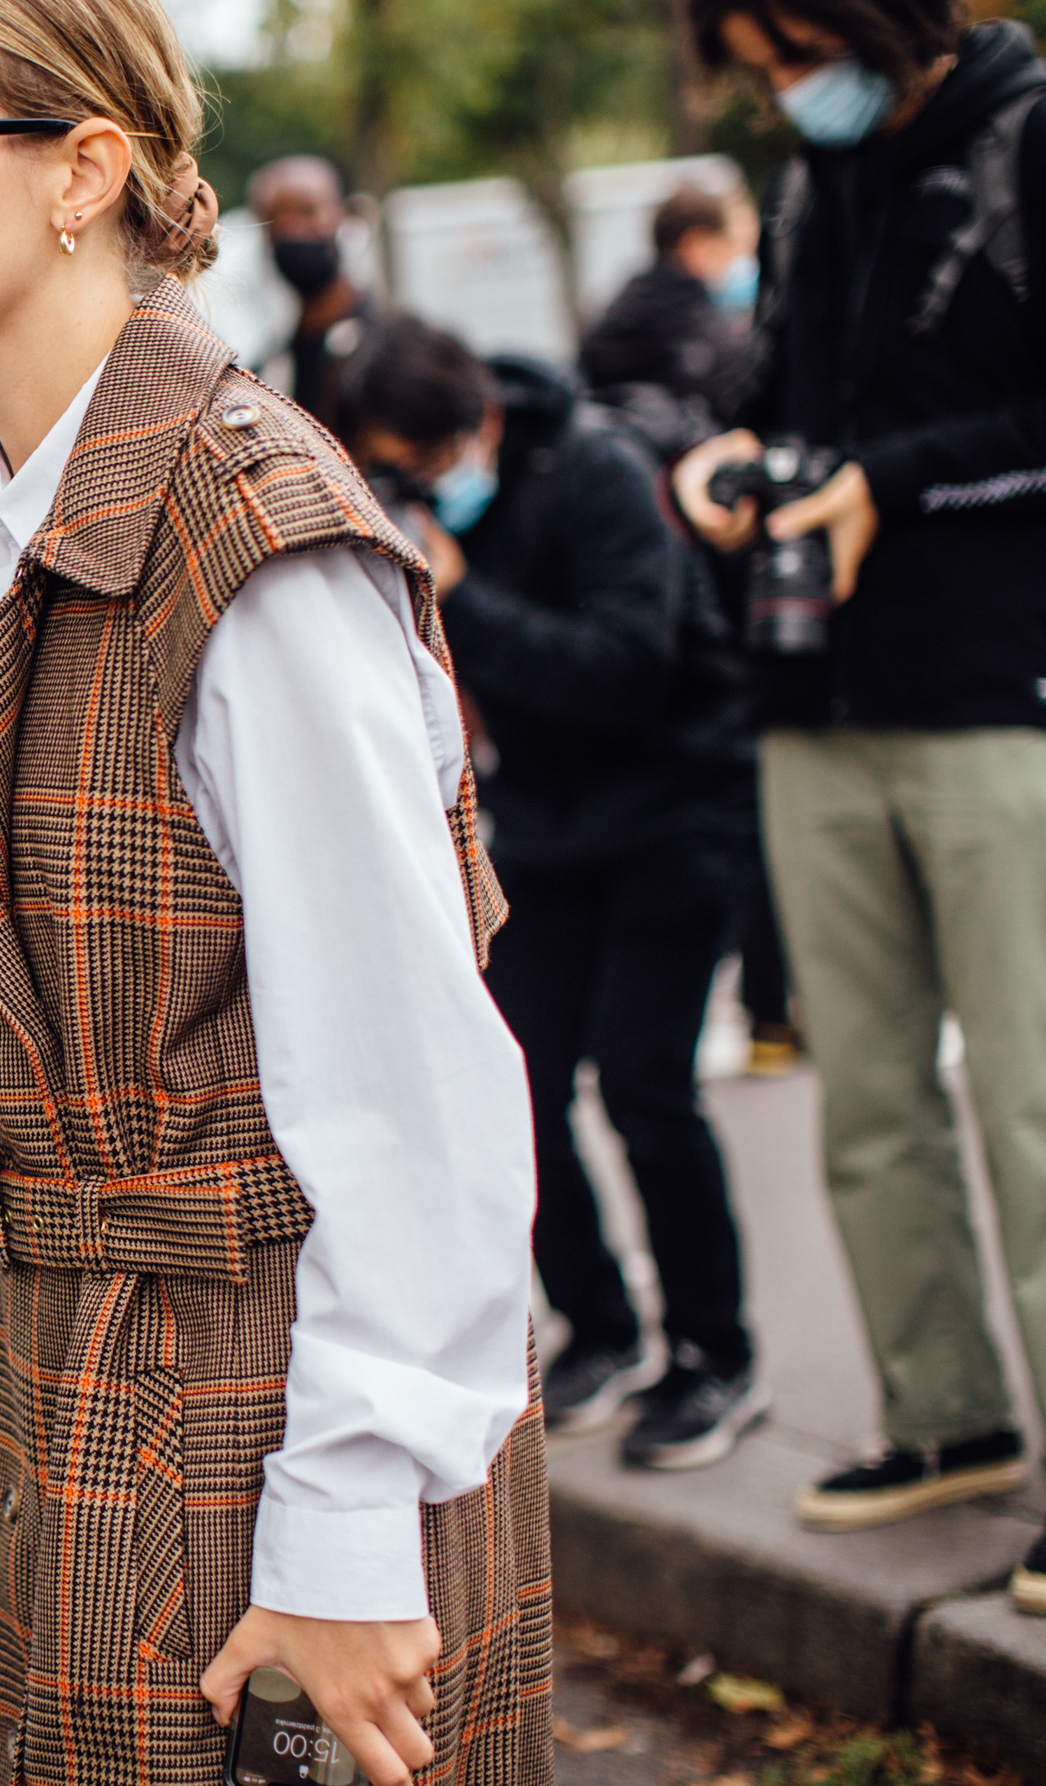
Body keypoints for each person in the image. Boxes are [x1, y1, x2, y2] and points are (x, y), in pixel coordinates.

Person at [0, 0, 553, 1786]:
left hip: (272, 1424)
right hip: (66, 1383)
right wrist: (7, 1092)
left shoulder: (252, 537)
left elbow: (421, 1098)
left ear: (84, 169)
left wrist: (354, 1535)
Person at [672, 0, 1046, 1605]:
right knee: (870, 1093)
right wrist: (732, 457)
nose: (780, 90)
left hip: (992, 695)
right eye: (755, 66)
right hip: (813, 691)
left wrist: (888, 482)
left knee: (1032, 1101)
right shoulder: (817, 181)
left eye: (791, 51)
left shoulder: (1029, 135)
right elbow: (772, 386)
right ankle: (944, 1417)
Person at [331, 318, 768, 1470]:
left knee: (645, 1085)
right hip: (550, 827)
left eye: (426, 468)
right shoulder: (416, 503)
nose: (423, 493)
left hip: (679, 808)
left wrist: (464, 600)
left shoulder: (598, 473)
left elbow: (626, 671)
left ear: (476, 423)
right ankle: (601, 1328)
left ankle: (715, 1356)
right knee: (511, 1085)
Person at [580, 185, 806, 1077]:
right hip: (727, 596)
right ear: (705, 243)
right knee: (750, 813)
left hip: (645, 594)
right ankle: (770, 1014)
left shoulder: (610, 328)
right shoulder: (715, 341)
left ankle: (757, 1015)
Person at [579, 183, 761, 409]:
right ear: (698, 245)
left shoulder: (630, 301)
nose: (739, 260)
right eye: (733, 245)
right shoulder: (691, 329)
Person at [247, 154, 378, 420]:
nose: (290, 230)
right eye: (272, 219)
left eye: (307, 211)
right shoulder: (268, 365)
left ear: (344, 215)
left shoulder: (385, 346)